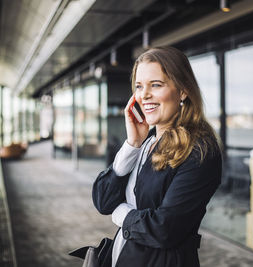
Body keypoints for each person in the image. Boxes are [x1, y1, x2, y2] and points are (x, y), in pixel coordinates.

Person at [92, 46, 222, 267]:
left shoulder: (199, 150)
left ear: (182, 91)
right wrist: (132, 144)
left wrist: (122, 213)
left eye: (156, 85)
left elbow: (164, 229)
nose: (144, 95)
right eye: (139, 86)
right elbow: (103, 201)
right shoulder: (147, 141)